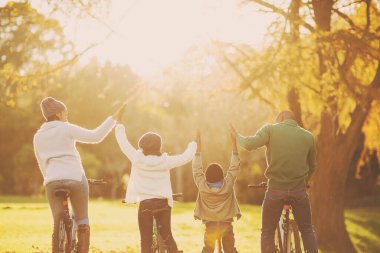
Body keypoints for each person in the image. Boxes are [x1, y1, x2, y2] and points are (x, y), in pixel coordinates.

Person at [33, 97, 124, 253]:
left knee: (57, 219)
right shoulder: (66, 128)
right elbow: (95, 136)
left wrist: (49, 180)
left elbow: (42, 163)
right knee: (82, 219)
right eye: (66, 112)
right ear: (59, 113)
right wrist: (113, 119)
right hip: (75, 177)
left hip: (52, 181)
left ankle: (59, 235)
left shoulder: (38, 136)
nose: (67, 115)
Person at [231, 111, 318, 253]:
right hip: (299, 190)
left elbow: (248, 144)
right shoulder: (308, 136)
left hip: (275, 189)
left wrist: (236, 135)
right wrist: (304, 181)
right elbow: (313, 166)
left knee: (267, 232)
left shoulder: (271, 129)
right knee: (307, 230)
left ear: (281, 118)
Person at [115, 112, 197, 253]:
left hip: (146, 204)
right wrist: (194, 142)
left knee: (145, 241)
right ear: (159, 146)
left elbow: (123, 142)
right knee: (167, 236)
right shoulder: (165, 161)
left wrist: (119, 123)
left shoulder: (137, 158)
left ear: (142, 146)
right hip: (163, 204)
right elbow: (186, 157)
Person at [192, 130, 241, 253]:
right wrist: (234, 143)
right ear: (222, 177)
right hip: (226, 222)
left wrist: (198, 145)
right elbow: (234, 166)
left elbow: (197, 168)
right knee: (230, 249)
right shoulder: (227, 185)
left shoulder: (202, 186)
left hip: (210, 224)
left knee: (208, 248)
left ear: (206, 177)